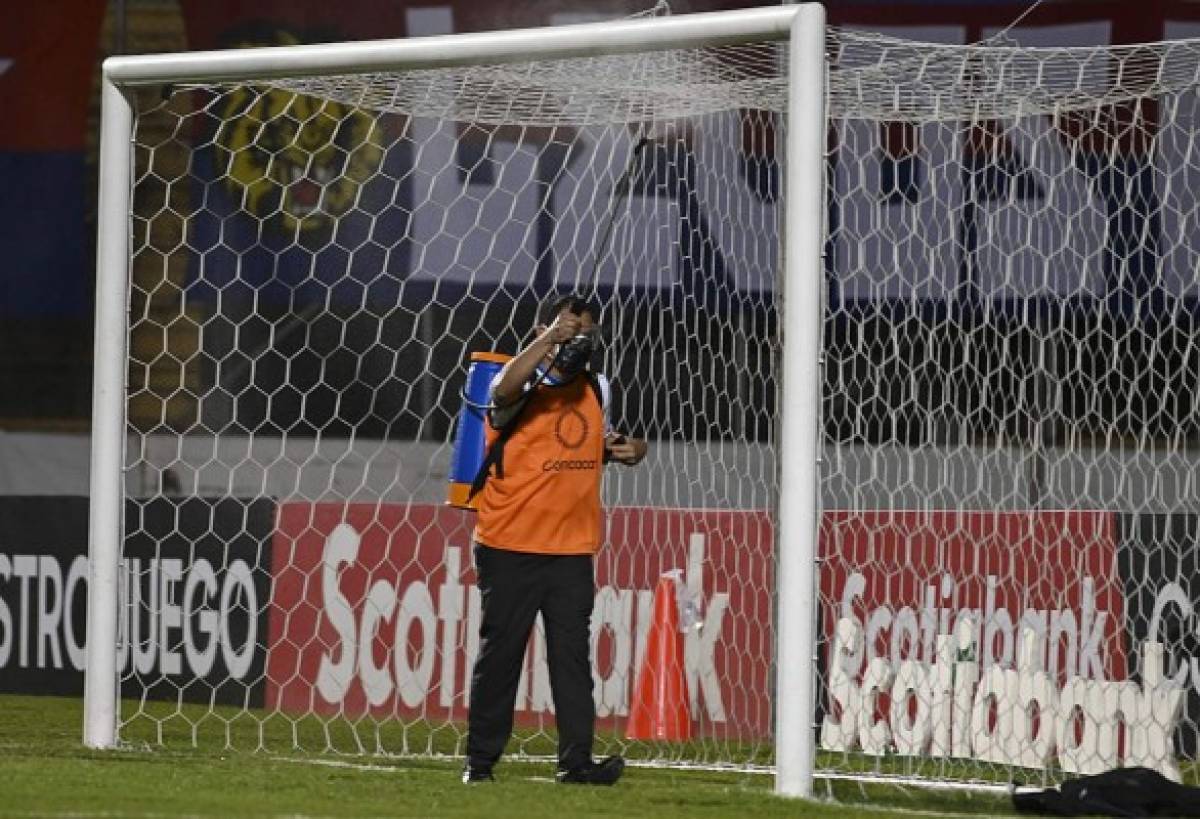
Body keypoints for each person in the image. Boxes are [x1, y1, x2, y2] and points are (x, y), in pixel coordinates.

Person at [462, 293, 648, 786]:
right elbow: (502, 395)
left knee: (572, 660)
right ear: (544, 327)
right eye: (570, 328)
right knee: (501, 655)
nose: (576, 340)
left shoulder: (597, 388)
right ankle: (479, 764)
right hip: (509, 543)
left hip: (571, 548)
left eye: (585, 332)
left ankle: (577, 762)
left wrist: (633, 450)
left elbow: (600, 443)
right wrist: (548, 339)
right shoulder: (519, 384)